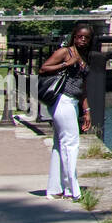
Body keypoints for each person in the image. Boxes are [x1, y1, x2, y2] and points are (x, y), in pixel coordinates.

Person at [39, 23, 93, 200]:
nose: (82, 39)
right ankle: (72, 190)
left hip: (74, 102)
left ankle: (55, 189)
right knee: (71, 144)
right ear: (74, 36)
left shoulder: (86, 57)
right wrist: (66, 64)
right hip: (62, 100)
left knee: (60, 145)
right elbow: (43, 68)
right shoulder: (66, 52)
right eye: (79, 36)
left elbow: (83, 88)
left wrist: (86, 111)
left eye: (86, 37)